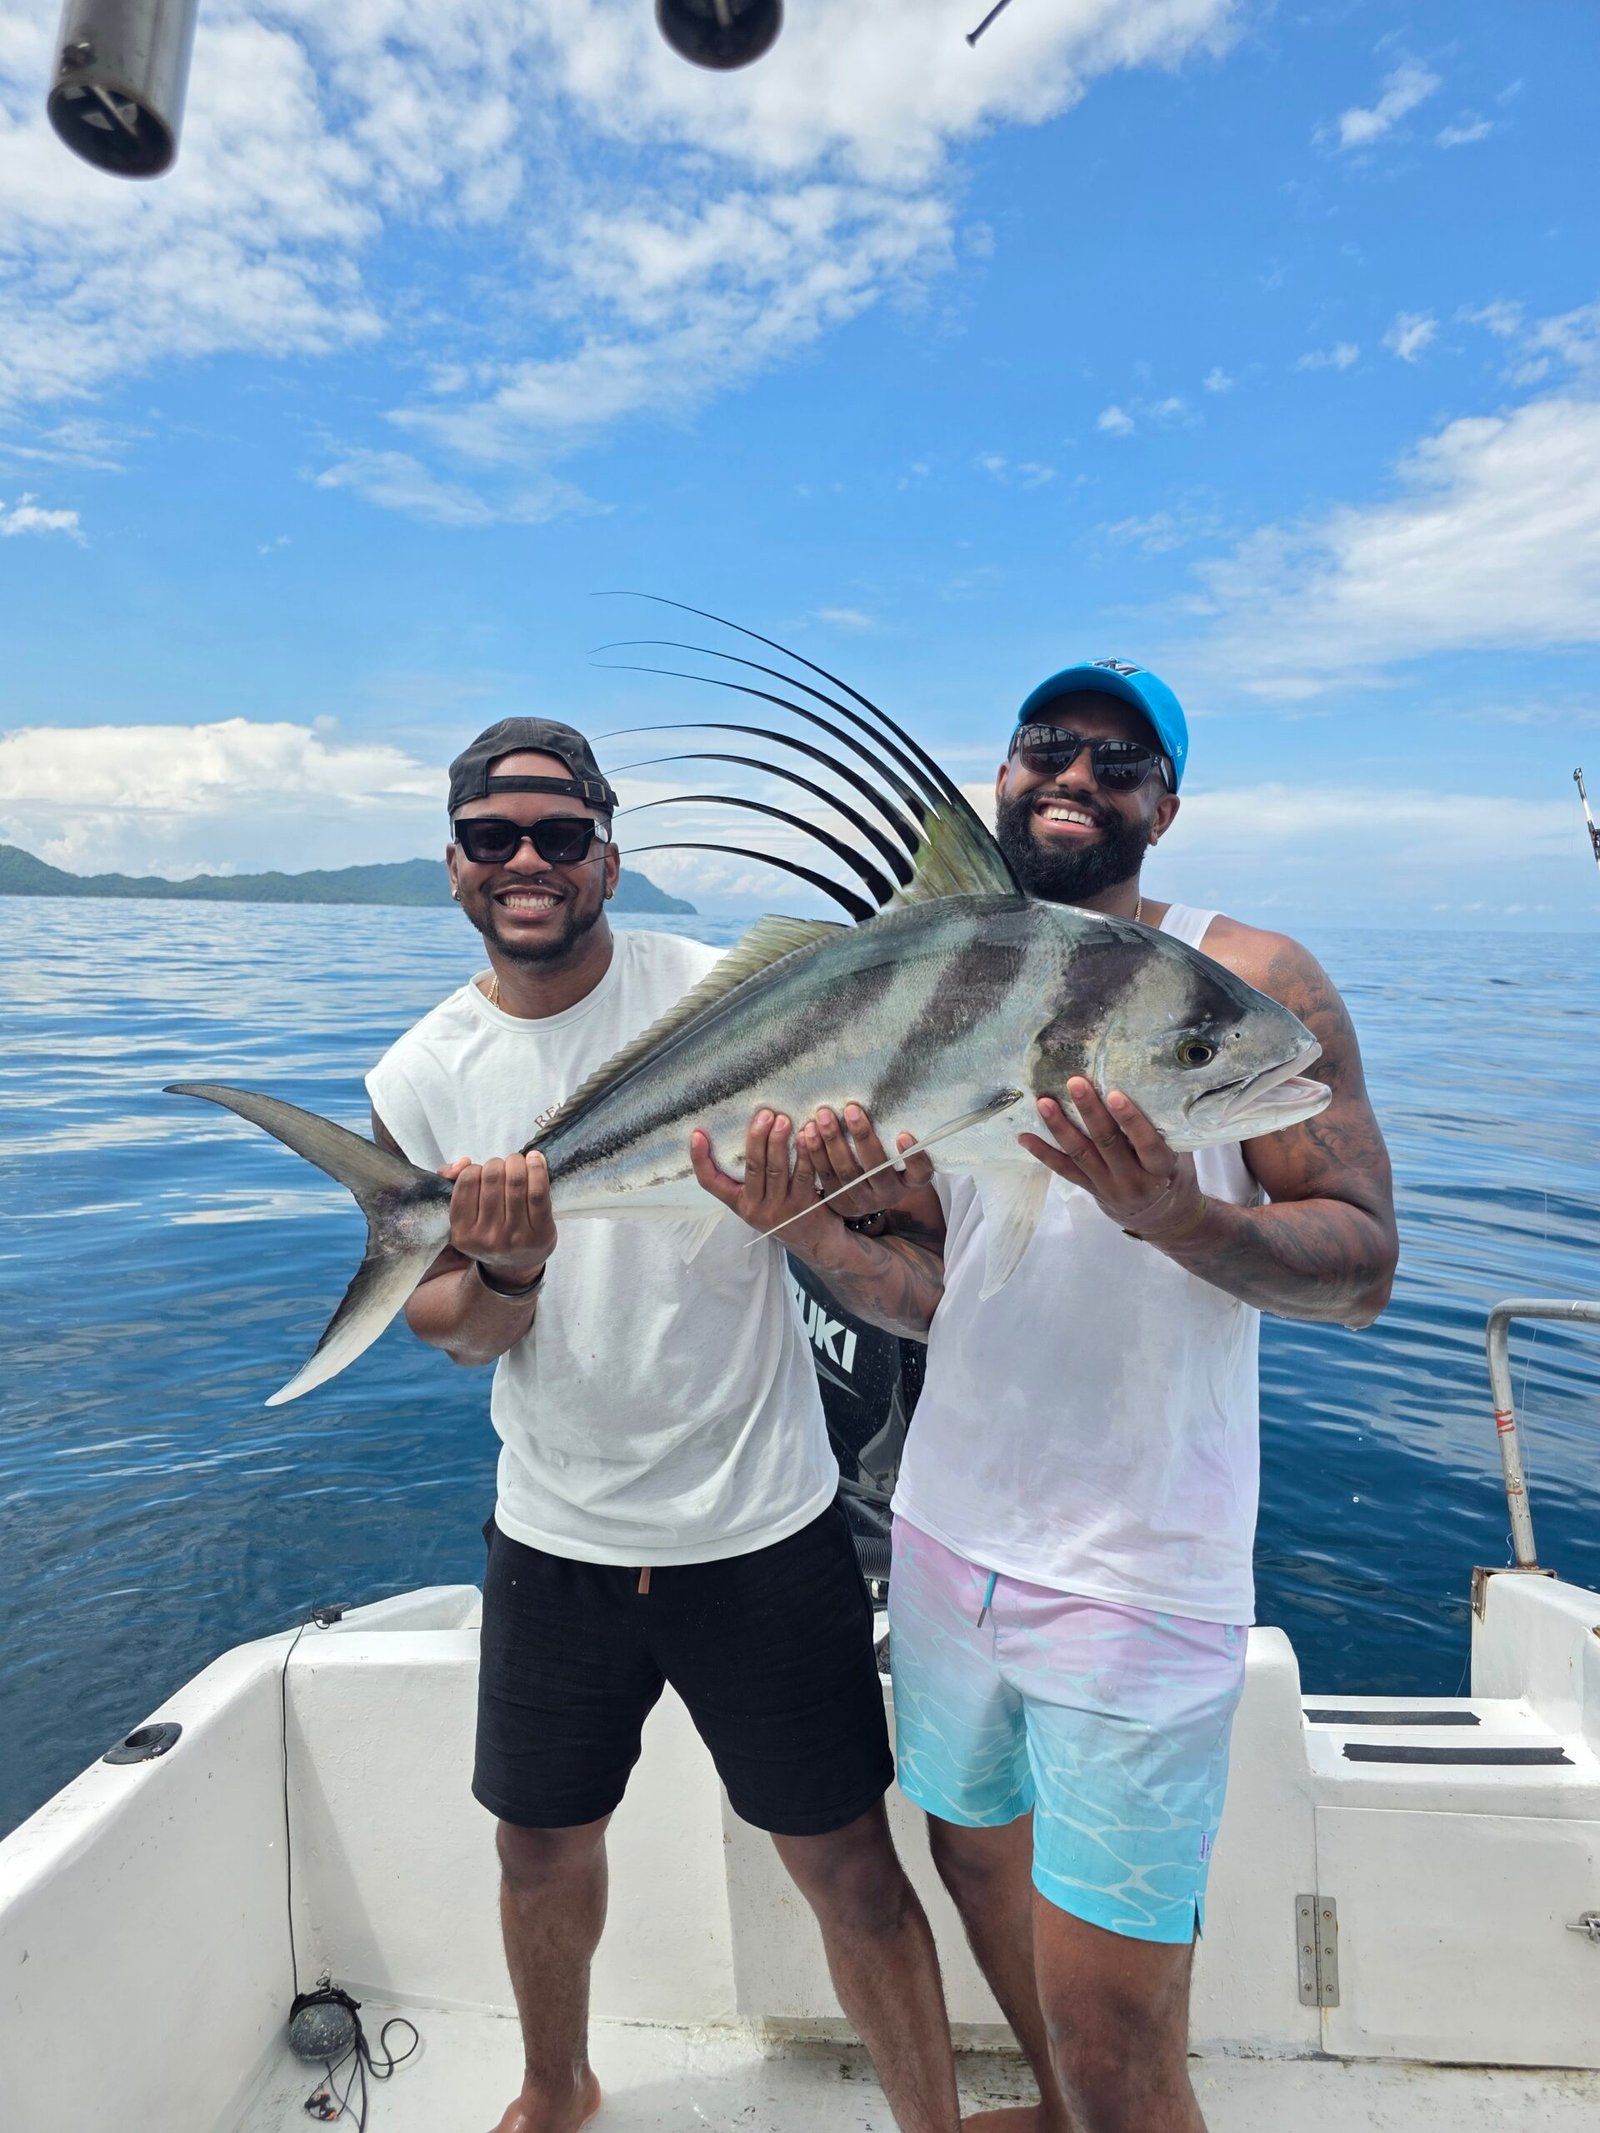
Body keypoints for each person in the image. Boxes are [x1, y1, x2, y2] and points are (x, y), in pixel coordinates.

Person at [787, 662, 1399, 2133]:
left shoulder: (1250, 980)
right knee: (971, 1852)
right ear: (1003, 774)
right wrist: (806, 1222)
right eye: (1046, 744)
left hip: (1137, 1571)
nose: (1075, 773)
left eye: (1119, 762)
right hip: (946, 1533)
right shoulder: (952, 981)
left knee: (1119, 2035)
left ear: (1165, 807)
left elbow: (1364, 1268)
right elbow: (938, 1295)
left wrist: (1176, 1214)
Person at [366, 718, 962, 2133]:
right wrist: (508, 1270)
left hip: (764, 1527)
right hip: (556, 1533)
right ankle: (555, 2085)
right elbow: (448, 1322)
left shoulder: (722, 995)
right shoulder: (420, 1074)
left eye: (560, 835)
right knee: (538, 1847)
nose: (527, 861)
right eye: (494, 836)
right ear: (452, 862)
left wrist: (831, 1202)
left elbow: (898, 1219)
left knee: (850, 1865)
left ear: (609, 857)